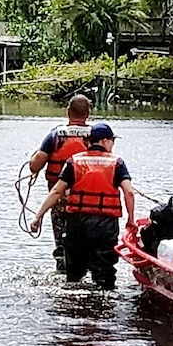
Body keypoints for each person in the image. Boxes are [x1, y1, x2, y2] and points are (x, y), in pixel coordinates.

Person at [30, 123, 136, 290]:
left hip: (77, 222)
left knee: (74, 275)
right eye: (112, 141)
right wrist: (131, 219)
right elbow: (129, 192)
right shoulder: (117, 163)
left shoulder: (74, 161)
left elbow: (57, 191)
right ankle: (103, 304)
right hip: (105, 224)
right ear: (104, 141)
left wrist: (38, 216)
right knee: (104, 274)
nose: (113, 145)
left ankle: (72, 309)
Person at [28, 94, 93, 271]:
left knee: (62, 243)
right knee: (85, 244)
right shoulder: (96, 136)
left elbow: (34, 166)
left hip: (59, 199)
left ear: (67, 112)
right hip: (89, 201)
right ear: (88, 114)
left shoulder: (55, 136)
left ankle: (63, 270)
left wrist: (35, 156)